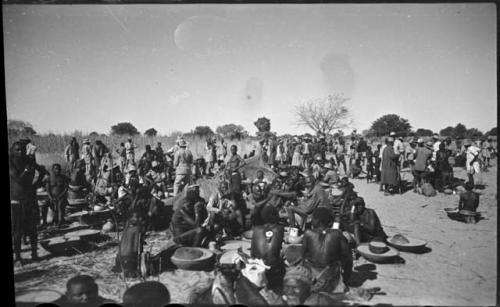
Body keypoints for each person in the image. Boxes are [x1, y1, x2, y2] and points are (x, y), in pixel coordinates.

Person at [10, 141, 46, 263]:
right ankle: (18, 257)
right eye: (17, 150)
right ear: (12, 151)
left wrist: (35, 184)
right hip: (16, 201)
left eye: (22, 150)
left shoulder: (28, 161)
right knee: (17, 231)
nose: (20, 152)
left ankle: (34, 254)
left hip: (30, 200)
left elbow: (42, 172)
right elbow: (18, 179)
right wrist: (26, 170)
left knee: (33, 230)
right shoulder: (11, 163)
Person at [301, 207, 352, 293]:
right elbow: (348, 258)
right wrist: (345, 280)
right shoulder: (337, 234)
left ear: (318, 221)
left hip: (312, 277)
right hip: (330, 278)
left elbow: (302, 256)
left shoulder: (308, 233)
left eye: (313, 218)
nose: (311, 220)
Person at [251, 206, 285, 291]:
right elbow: (277, 249)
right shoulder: (280, 229)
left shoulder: (256, 229)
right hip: (273, 269)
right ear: (275, 216)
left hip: (259, 268)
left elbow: (252, 253)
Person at [114, 210, 146, 278]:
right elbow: (137, 247)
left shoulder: (126, 228)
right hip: (129, 259)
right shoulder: (137, 229)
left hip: (119, 258)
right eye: (137, 217)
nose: (140, 219)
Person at [226, 144, 247, 229]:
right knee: (232, 191)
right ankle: (235, 208)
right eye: (231, 149)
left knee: (236, 191)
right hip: (231, 175)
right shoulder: (231, 157)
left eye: (234, 149)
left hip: (236, 175)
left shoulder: (237, 156)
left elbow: (244, 162)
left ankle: (239, 208)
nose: (232, 151)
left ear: (236, 149)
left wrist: (236, 168)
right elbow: (229, 166)